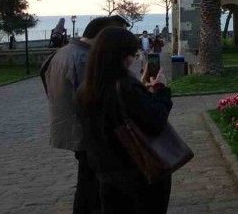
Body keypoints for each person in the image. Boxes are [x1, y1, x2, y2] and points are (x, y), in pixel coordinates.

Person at [76, 27, 173, 213]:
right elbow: (154, 121)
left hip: (106, 172)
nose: (133, 59)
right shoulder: (125, 87)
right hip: (138, 171)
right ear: (121, 55)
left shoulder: (85, 89)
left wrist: (141, 88)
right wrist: (161, 90)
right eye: (132, 54)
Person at [40, 15, 130, 213]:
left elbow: (44, 77)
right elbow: (94, 100)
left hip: (70, 127)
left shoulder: (62, 53)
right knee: (94, 184)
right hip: (87, 132)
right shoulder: (84, 59)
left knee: (88, 179)